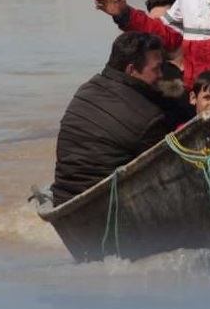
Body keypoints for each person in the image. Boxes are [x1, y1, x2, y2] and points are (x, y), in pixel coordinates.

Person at [51, 32, 189, 205]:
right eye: (156, 69)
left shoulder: (87, 89)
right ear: (131, 70)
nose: (161, 75)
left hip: (63, 196)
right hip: (107, 203)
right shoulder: (148, 117)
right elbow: (168, 170)